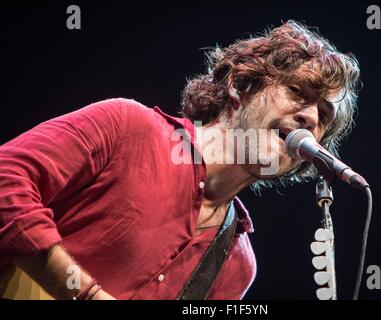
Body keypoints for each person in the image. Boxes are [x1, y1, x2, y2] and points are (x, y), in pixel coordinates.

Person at [0, 20, 360, 300]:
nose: (311, 118)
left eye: (323, 116)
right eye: (298, 91)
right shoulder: (128, 127)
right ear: (239, 86)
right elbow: (6, 179)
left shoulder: (236, 265)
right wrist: (85, 292)